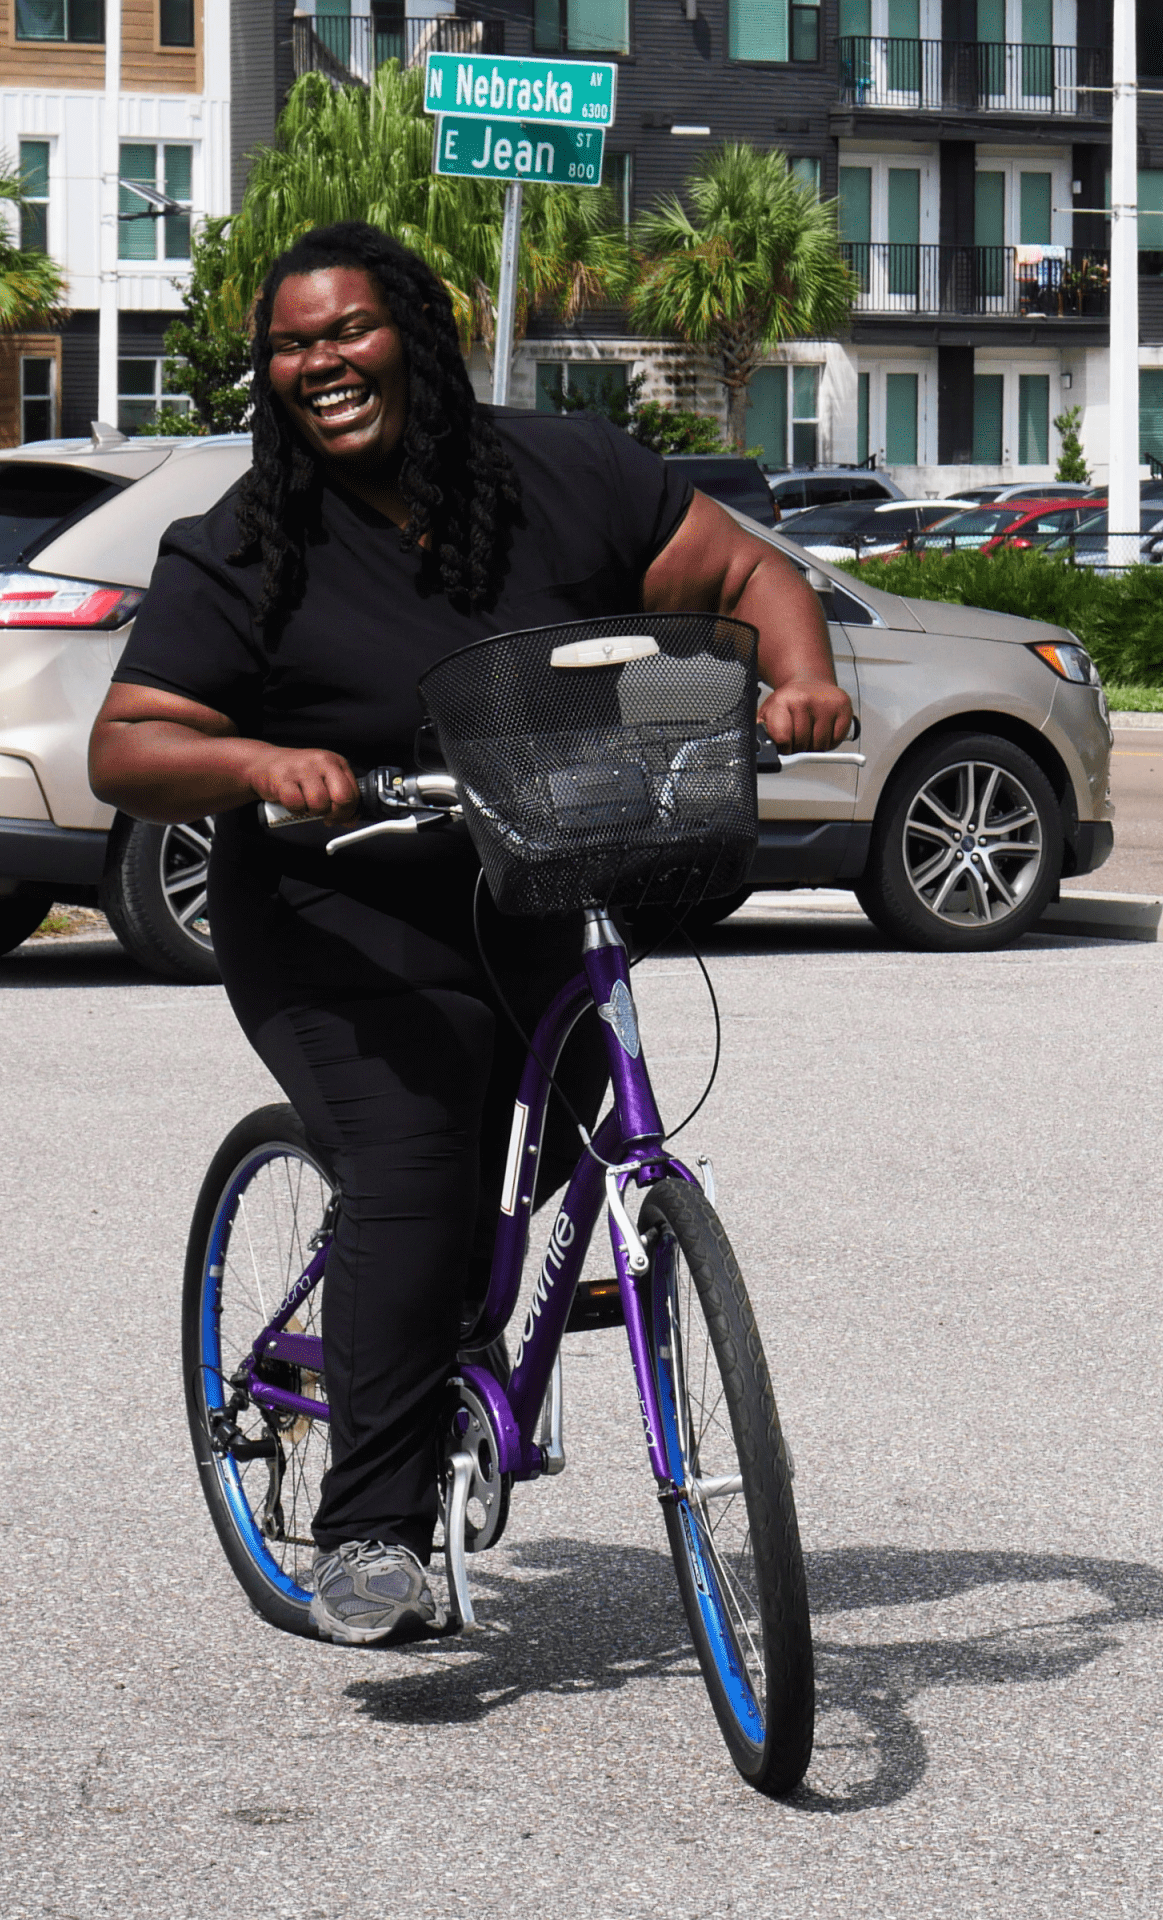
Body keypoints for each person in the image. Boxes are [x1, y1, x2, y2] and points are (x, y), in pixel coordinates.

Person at [89, 221, 851, 1646]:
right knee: (416, 1155)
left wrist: (797, 676)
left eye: (349, 331)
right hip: (337, 918)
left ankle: (440, 1330)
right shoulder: (252, 544)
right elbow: (129, 741)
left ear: (418, 335)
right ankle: (370, 1529)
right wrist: (260, 769)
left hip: (536, 885)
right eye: (291, 344)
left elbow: (748, 576)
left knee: (549, 1140)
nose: (320, 363)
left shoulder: (560, 474)